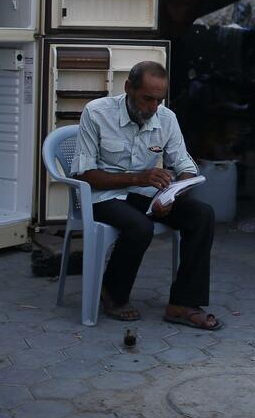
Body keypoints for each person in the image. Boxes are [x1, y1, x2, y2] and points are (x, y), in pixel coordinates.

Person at [71, 61, 221, 330]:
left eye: (158, 100)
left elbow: (186, 167)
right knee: (140, 227)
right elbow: (85, 175)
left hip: (143, 193)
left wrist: (171, 195)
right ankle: (113, 293)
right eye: (147, 99)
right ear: (129, 87)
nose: (153, 107)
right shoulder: (96, 113)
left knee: (202, 215)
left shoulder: (166, 118)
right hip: (102, 196)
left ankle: (183, 303)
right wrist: (138, 178)